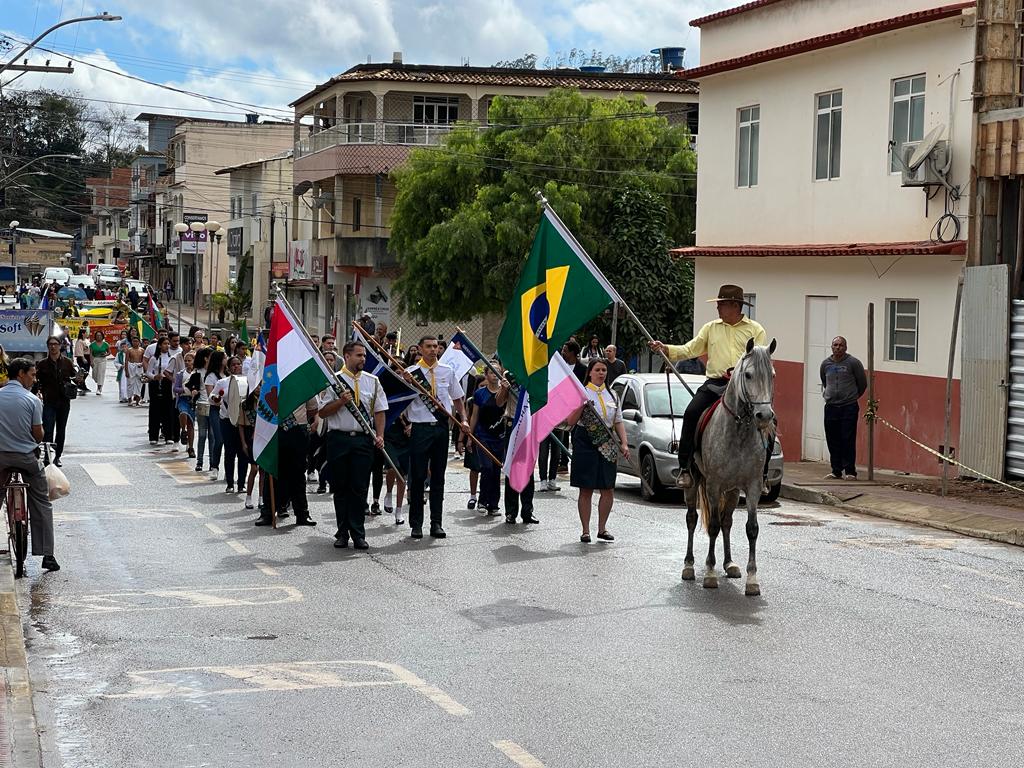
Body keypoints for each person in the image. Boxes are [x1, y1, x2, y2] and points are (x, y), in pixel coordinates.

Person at [649, 284, 767, 490]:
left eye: (721, 304)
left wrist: (739, 374)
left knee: (769, 421)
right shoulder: (711, 328)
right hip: (716, 384)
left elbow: (758, 360)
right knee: (691, 412)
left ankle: (762, 474)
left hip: (746, 387)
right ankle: (685, 468)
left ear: (734, 305)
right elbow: (690, 349)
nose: (718, 308)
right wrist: (666, 348)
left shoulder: (755, 330)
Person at [318, 341, 388, 550]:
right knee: (340, 487)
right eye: (358, 355)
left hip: (362, 440)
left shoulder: (372, 381)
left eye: (364, 356)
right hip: (338, 438)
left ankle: (358, 533)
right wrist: (340, 402)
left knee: (359, 487)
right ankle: (342, 532)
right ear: (347, 357)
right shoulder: (335, 381)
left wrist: (380, 434)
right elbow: (322, 412)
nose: (363, 359)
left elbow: (380, 411)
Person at [403, 335, 470, 540]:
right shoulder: (411, 374)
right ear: (420, 349)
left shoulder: (447, 371)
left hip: (441, 428)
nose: (433, 350)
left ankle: (436, 523)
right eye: (429, 347)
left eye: (435, 347)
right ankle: (416, 524)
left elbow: (458, 399)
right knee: (418, 478)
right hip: (420, 429)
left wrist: (464, 420)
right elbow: (401, 403)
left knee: (439, 478)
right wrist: (407, 423)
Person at [0, 357, 60, 571]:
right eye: (32, 375)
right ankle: (47, 555)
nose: (34, 379)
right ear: (21, 374)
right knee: (41, 502)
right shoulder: (32, 400)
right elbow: (38, 435)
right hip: (27, 459)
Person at [567, 359, 629, 543]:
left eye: (604, 370)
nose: (601, 373)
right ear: (590, 372)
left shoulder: (613, 395)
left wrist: (624, 443)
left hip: (607, 442)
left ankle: (602, 528)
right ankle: (585, 530)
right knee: (586, 488)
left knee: (607, 487)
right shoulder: (581, 393)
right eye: (597, 370)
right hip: (585, 441)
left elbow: (618, 421)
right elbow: (571, 421)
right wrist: (581, 404)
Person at [257, 395, 318, 527]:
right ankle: (267, 512)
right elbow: (263, 404)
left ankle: (302, 513)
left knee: (298, 473)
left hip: (298, 430)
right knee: (272, 472)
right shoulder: (272, 378)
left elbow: (313, 408)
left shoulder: (302, 380)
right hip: (275, 429)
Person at [820, 336, 867, 480]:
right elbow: (824, 381)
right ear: (831, 347)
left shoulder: (853, 363)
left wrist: (851, 397)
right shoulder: (825, 364)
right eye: (835, 345)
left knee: (847, 438)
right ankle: (836, 470)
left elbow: (862, 384)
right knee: (832, 439)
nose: (838, 347)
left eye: (841, 345)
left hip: (849, 407)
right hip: (831, 407)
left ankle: (850, 471)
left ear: (845, 347)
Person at [468, 364, 509, 515]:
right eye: (491, 372)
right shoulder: (480, 394)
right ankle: (482, 501)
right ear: (485, 375)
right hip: (482, 436)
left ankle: (494, 504)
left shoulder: (506, 391)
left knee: (496, 470)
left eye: (497, 372)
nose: (494, 375)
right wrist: (469, 437)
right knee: (486, 468)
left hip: (499, 437)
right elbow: (474, 416)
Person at [33, 336, 76, 467]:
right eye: (50, 344)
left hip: (64, 401)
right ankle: (47, 456)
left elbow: (75, 377)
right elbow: (36, 381)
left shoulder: (67, 362)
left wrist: (77, 379)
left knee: (61, 430)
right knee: (48, 430)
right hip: (49, 401)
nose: (53, 347)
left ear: (60, 346)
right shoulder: (42, 364)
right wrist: (36, 393)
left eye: (55, 344)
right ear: (47, 346)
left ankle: (58, 456)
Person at [211, 356, 247, 493]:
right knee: (230, 452)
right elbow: (212, 397)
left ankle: (242, 483)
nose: (236, 366)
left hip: (242, 422)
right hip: (226, 420)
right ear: (228, 367)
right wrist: (216, 398)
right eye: (233, 364)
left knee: (243, 452)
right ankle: (230, 483)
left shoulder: (247, 381)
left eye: (239, 364)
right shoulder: (222, 382)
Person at [145, 336, 177, 446]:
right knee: (155, 411)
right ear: (159, 345)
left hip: (167, 384)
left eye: (168, 344)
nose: (167, 346)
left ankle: (169, 435)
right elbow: (148, 372)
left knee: (168, 411)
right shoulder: (154, 358)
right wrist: (154, 377)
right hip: (156, 384)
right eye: (164, 344)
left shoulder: (172, 358)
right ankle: (153, 436)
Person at [382, 413, 412, 525]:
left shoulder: (408, 400)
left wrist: (411, 426)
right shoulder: (388, 398)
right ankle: (389, 493)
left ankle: (398, 511)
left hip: (405, 441)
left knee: (402, 476)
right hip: (389, 438)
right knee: (393, 468)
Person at [174, 351, 199, 459]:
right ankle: (183, 431)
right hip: (183, 399)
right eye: (186, 361)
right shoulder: (181, 374)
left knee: (191, 424)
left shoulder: (198, 374)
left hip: (193, 401)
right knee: (183, 413)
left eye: (189, 360)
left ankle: (191, 447)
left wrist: (195, 392)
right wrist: (184, 390)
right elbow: (175, 388)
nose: (187, 363)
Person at [190, 348, 212, 470]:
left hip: (213, 406)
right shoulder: (197, 372)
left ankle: (213, 463)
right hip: (201, 404)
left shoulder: (214, 373)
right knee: (202, 434)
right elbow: (191, 387)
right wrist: (194, 391)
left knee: (213, 435)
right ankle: (200, 461)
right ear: (205, 358)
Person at [125, 335, 145, 406]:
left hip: (139, 367)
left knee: (139, 384)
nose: (135, 343)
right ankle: (129, 399)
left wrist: (142, 365)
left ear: (139, 342)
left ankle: (137, 400)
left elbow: (144, 360)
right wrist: (126, 371)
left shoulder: (142, 350)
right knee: (130, 384)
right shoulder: (129, 350)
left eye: (137, 341)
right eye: (134, 341)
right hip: (131, 367)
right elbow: (126, 361)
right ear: (132, 342)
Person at [89, 330, 111, 395]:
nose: (99, 337)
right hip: (95, 359)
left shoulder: (105, 344)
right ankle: (98, 383)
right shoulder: (92, 344)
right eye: (97, 335)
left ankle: (99, 388)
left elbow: (109, 352)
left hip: (103, 360)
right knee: (95, 375)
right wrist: (91, 362)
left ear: (102, 336)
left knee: (100, 374)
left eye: (100, 335)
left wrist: (105, 355)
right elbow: (91, 354)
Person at [73, 327, 91, 393]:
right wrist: (83, 358)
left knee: (86, 372)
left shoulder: (85, 340)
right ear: (83, 334)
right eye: (86, 332)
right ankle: (80, 384)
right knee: (83, 372)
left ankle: (82, 384)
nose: (87, 334)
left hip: (88, 357)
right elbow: (79, 350)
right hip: (83, 357)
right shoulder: (79, 341)